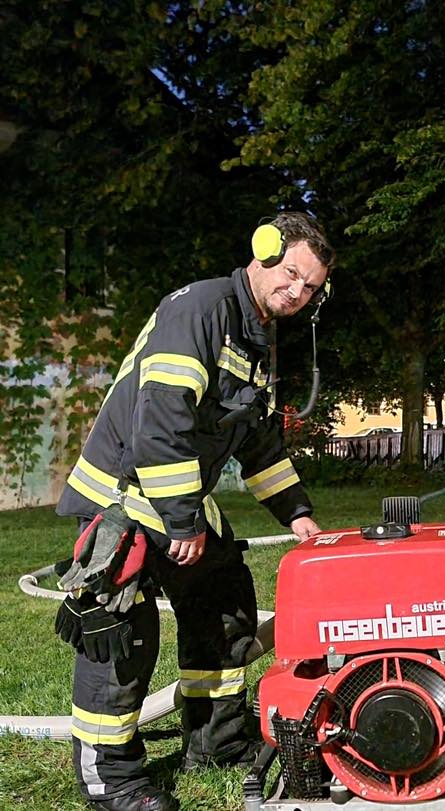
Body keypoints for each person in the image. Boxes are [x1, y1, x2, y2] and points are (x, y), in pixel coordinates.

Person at [54, 212, 335, 811]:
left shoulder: (258, 337)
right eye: (291, 274)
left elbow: (257, 438)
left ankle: (216, 743)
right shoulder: (200, 312)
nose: (297, 293)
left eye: (311, 287)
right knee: (122, 638)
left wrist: (296, 512)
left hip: (178, 500)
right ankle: (112, 780)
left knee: (224, 606)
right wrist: (183, 521)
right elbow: (161, 423)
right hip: (123, 501)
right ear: (263, 252)